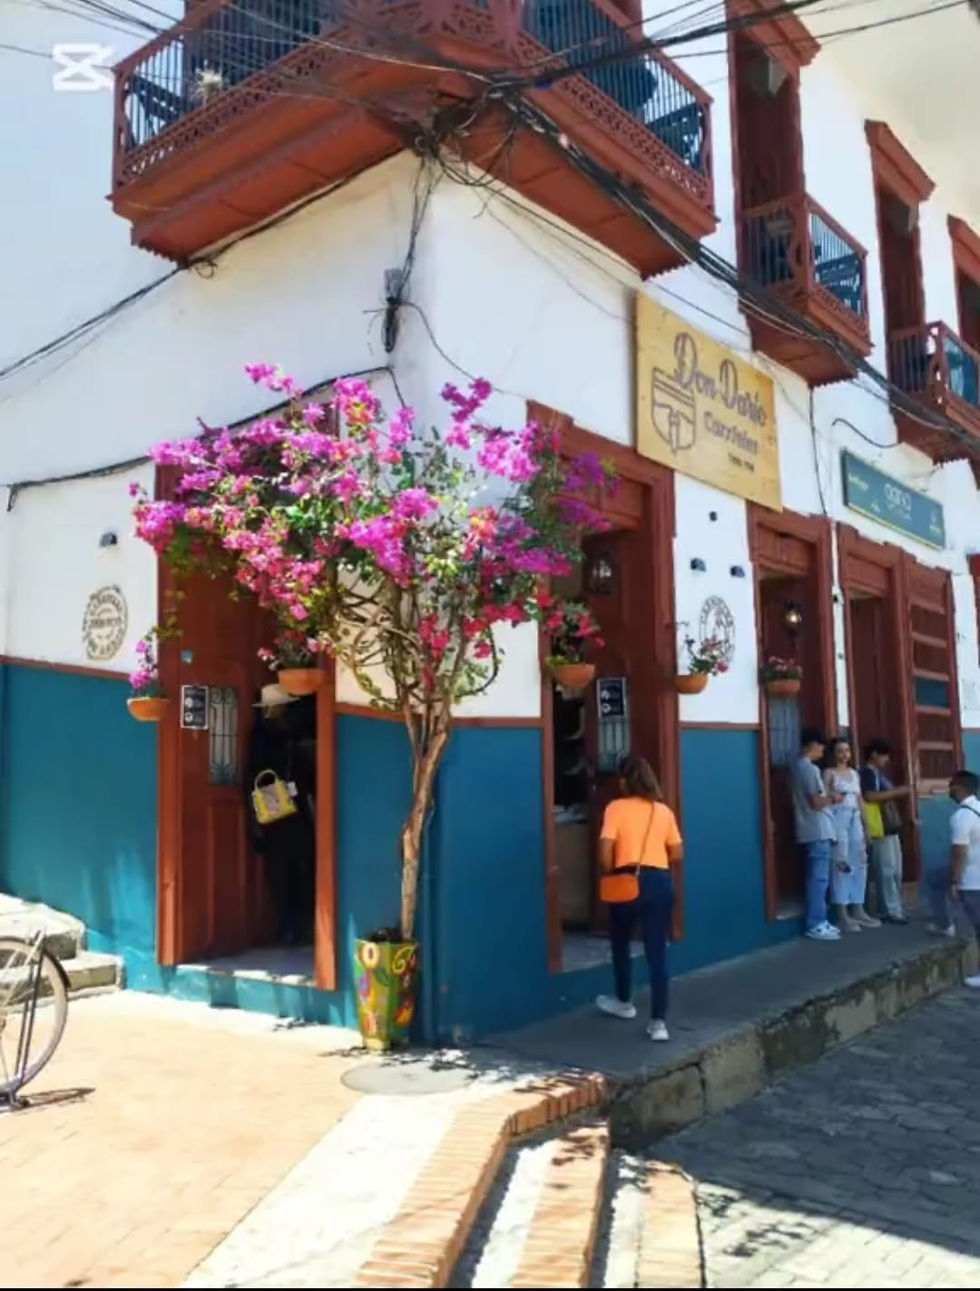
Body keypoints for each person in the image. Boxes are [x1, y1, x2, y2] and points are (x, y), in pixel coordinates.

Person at [595, 755, 682, 1042]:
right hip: (660, 881)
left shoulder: (615, 808)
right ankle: (659, 1022)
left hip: (627, 880)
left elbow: (605, 852)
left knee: (620, 941)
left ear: (624, 780)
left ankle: (624, 1001)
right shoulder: (663, 811)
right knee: (657, 951)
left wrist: (611, 871)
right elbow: (678, 853)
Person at [246, 683, 316, 946]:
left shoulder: (287, 736)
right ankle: (289, 926)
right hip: (276, 806)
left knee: (299, 865)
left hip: (287, 808)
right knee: (284, 869)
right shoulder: (266, 738)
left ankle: (298, 925)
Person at [823, 737, 879, 932]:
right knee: (841, 863)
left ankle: (858, 907)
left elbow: (860, 800)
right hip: (838, 819)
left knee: (860, 862)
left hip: (855, 818)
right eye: (840, 751)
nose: (844, 755)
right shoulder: (829, 774)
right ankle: (842, 912)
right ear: (833, 754)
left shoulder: (854, 774)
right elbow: (824, 800)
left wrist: (867, 827)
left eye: (847, 751)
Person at [791, 728, 841, 941]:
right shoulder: (809, 770)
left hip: (808, 828)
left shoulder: (796, 767)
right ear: (812, 745)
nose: (822, 751)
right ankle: (816, 922)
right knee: (819, 879)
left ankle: (819, 920)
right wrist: (834, 799)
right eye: (820, 746)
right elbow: (815, 802)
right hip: (817, 828)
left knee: (817, 877)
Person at [859, 738, 911, 924]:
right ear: (874, 754)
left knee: (895, 870)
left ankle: (895, 906)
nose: (886, 759)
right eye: (884, 755)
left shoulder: (880, 773)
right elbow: (869, 796)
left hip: (889, 825)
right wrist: (898, 792)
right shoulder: (866, 774)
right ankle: (889, 909)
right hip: (879, 827)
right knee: (886, 870)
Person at [948, 770, 980, 988]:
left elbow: (960, 852)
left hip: (972, 880)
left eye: (951, 785)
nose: (949, 789)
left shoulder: (961, 816)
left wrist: (954, 881)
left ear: (959, 788)